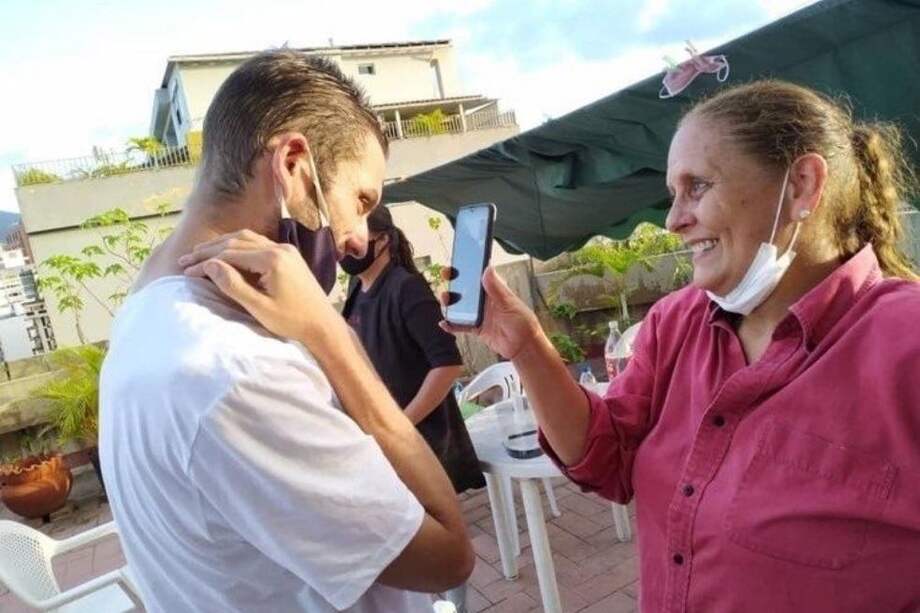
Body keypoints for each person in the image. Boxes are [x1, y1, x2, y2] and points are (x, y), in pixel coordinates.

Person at [442, 80, 920, 612]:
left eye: (698, 187)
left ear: (802, 186)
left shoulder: (905, 343)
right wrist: (525, 343)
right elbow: (605, 459)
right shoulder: (677, 322)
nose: (672, 220)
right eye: (673, 193)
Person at [100, 50, 473, 613]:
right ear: (294, 164)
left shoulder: (145, 318)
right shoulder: (236, 371)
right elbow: (450, 556)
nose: (356, 238)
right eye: (361, 201)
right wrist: (331, 336)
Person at [341, 205, 485, 495]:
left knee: (432, 530)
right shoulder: (357, 288)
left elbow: (447, 365)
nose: (342, 248)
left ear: (381, 240)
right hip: (382, 437)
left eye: (352, 238)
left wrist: (402, 426)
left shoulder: (406, 289)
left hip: (420, 441)